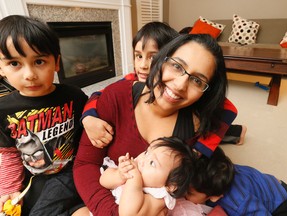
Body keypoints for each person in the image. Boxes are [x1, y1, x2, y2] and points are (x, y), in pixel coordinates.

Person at [73, 33, 238, 215]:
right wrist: (111, 212)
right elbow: (85, 164)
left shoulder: (195, 127)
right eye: (177, 66)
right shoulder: (116, 95)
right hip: (102, 198)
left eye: (197, 80)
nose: (180, 84)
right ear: (161, 60)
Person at [81, 22, 245, 149]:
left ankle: (237, 132)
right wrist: (88, 118)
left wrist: (203, 148)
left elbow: (229, 110)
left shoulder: (188, 90)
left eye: (153, 57)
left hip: (187, 121)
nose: (143, 65)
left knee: (209, 124)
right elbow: (99, 95)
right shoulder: (131, 82)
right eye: (138, 56)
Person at [0, 15, 89, 216]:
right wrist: (9, 189)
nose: (29, 74)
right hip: (34, 176)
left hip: (72, 170)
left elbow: (89, 125)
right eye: (15, 63)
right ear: (1, 68)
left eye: (39, 61)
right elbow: (10, 153)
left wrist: (94, 120)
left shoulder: (73, 95)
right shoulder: (3, 109)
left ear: (56, 62)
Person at [100, 136, 196, 215]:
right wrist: (119, 175)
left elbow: (128, 213)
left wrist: (134, 178)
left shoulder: (158, 197)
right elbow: (103, 181)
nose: (143, 160)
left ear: (170, 186)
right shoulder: (132, 170)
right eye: (146, 152)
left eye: (152, 163)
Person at [186, 147, 287, 216]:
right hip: (269, 185)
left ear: (215, 196)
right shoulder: (219, 171)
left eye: (189, 193)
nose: (181, 194)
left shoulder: (238, 203)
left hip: (280, 204)